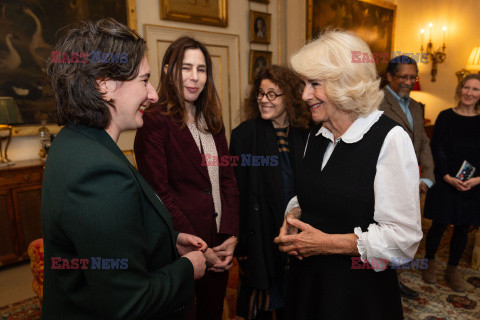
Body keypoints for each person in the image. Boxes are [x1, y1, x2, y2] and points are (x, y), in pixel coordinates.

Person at [42, 18, 207, 319]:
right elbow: (129, 303)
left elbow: (104, 239)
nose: (154, 94)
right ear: (104, 84)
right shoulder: (98, 172)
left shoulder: (73, 139)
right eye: (144, 80)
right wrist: (186, 268)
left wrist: (168, 241)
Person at [273, 30, 423, 319]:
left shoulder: (390, 139)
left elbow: (404, 241)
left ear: (346, 84)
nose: (304, 95)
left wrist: (326, 243)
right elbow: (314, 192)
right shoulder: (316, 134)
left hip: (357, 296)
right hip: (307, 287)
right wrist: (291, 219)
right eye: (304, 84)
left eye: (314, 84)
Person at [134, 36, 239, 320]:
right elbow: (159, 194)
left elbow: (227, 180)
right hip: (181, 247)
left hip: (219, 241)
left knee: (212, 313)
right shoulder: (154, 121)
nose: (194, 77)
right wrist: (199, 247)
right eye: (186, 68)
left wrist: (230, 234)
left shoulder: (213, 120)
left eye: (201, 69)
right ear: (168, 70)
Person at [230, 65, 310, 320]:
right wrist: (240, 241)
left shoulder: (305, 134)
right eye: (261, 94)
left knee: (294, 301)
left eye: (272, 94)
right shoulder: (244, 135)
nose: (264, 100)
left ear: (289, 97)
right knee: (262, 303)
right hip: (260, 234)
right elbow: (236, 191)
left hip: (297, 232)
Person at [379, 55, 435, 299]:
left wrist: (428, 177)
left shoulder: (415, 105)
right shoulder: (376, 103)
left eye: (413, 77)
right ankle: (383, 285)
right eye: (404, 77)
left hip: (413, 184)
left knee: (407, 234)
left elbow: (422, 141)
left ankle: (396, 281)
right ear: (390, 76)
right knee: (386, 233)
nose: (409, 82)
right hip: (387, 183)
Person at [421, 74, 480, 292]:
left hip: (473, 185)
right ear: (460, 89)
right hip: (446, 181)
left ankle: (452, 271)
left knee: (463, 229)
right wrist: (446, 176)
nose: (469, 93)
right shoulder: (445, 116)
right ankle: (429, 262)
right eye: (466, 87)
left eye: (475, 89)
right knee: (439, 224)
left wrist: (475, 181)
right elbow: (438, 148)